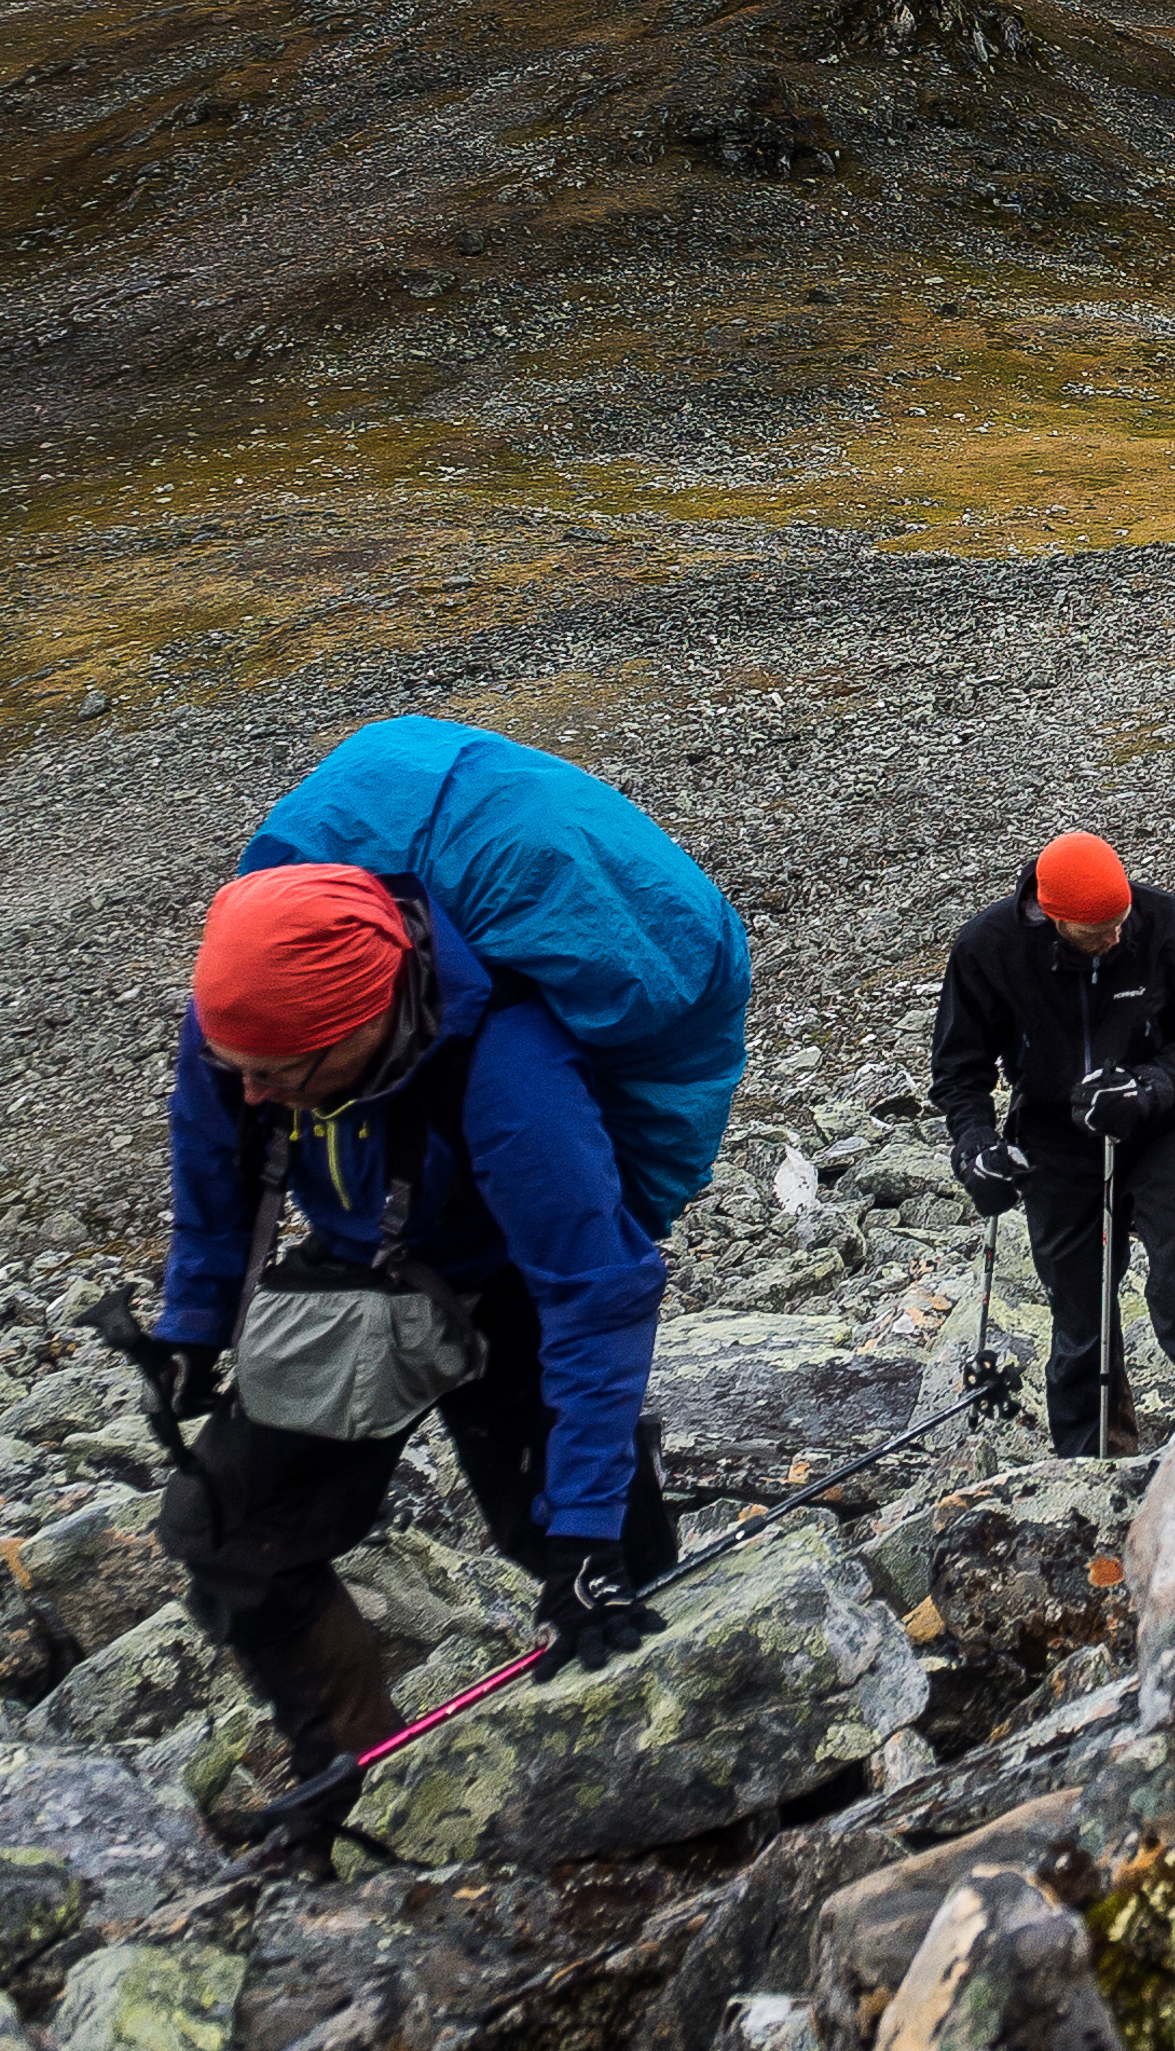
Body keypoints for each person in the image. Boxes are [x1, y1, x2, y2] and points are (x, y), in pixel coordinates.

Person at [139, 717, 753, 1858]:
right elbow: (211, 1147)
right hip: (352, 1266)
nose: (259, 1094)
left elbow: (598, 1285)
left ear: (361, 1022)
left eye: (284, 1075)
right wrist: (191, 1322)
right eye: (244, 1071)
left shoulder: (509, 1072)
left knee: (590, 1561)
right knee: (225, 1530)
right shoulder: (248, 1018)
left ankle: (709, 1770)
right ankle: (352, 1780)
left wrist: (578, 1538)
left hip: (509, 1283)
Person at [933, 829, 1175, 1450]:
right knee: (1081, 1322)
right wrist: (975, 1148)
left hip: (1161, 1125)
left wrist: (1148, 1087)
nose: (1117, 937)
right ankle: (1088, 1470)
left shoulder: (1163, 922)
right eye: (1099, 929)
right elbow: (959, 1072)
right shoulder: (989, 949)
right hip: (1056, 1135)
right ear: (1053, 919)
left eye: (1122, 918)